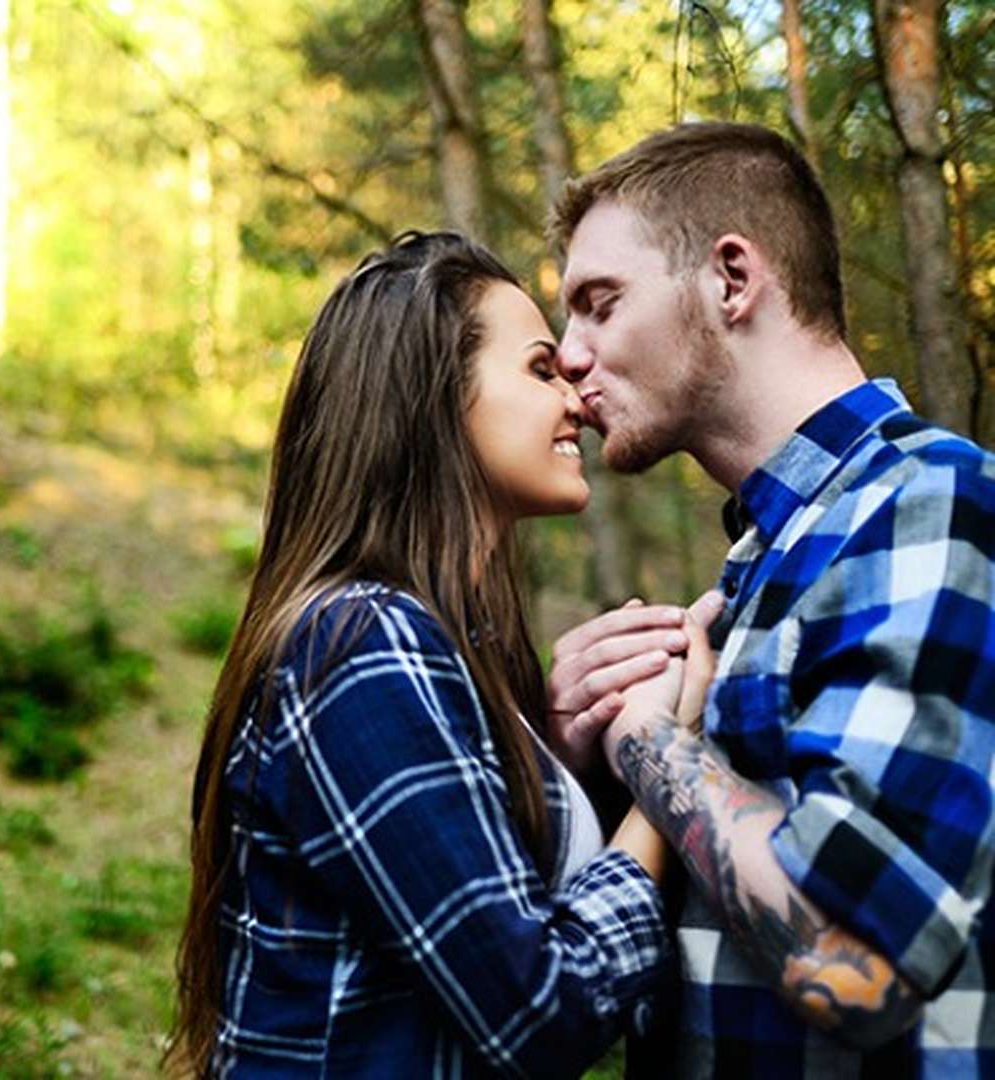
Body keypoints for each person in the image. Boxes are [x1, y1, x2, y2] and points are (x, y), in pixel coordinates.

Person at [167, 231, 712, 1077]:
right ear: (434, 398)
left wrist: (554, 764)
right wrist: (666, 774)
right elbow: (539, 1012)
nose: (576, 396)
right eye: (540, 369)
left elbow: (468, 917)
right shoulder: (365, 644)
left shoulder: (425, 645)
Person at [545, 121, 995, 1077]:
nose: (569, 356)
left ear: (732, 280)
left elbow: (864, 959)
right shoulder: (773, 554)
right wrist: (579, 761)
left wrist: (647, 742)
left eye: (599, 304)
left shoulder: (930, 499)